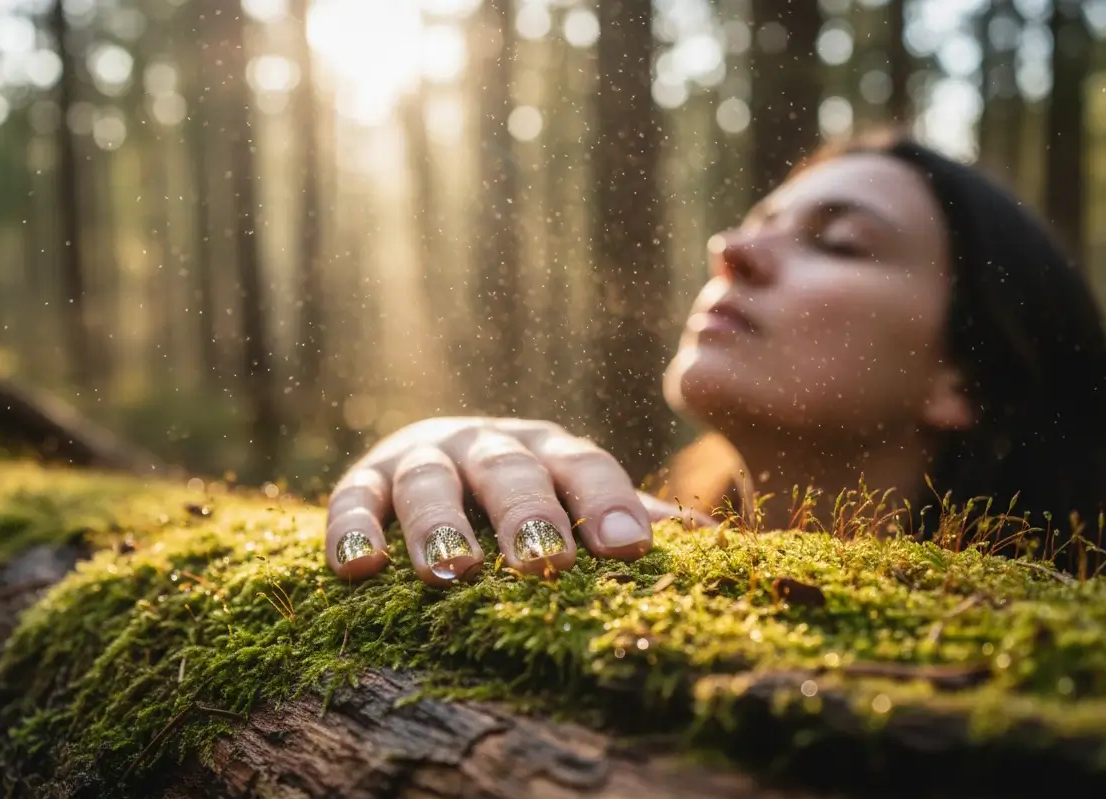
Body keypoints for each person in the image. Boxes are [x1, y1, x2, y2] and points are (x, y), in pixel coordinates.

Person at [323, 132, 1106, 586]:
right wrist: (441, 461)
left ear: (964, 375)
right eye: (755, 222)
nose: (730, 249)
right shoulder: (637, 537)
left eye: (838, 241)